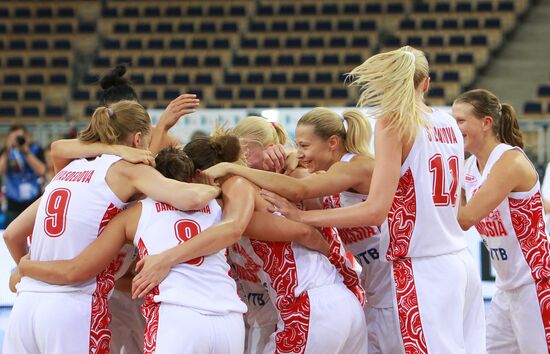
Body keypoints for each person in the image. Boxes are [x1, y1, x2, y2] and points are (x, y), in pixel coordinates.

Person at [244, 46, 486, 353]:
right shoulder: (448, 122)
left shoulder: (393, 123)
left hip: (421, 267)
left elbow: (375, 210)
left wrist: (303, 217)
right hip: (459, 260)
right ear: (425, 83)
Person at [14, 134, 330, 353]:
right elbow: (255, 225)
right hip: (230, 320)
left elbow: (76, 270)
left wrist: (26, 266)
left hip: (176, 318)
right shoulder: (220, 203)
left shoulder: (134, 212)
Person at [2, 100, 220, 354]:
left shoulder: (69, 169)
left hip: (26, 304)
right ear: (138, 140)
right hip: (74, 307)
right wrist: (216, 186)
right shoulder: (128, 172)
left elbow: (11, 234)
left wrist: (29, 270)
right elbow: (190, 198)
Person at [202, 107, 400, 353]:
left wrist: (236, 170)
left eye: (305, 146)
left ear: (332, 142)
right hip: (354, 296)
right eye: (298, 146)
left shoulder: (346, 168)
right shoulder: (311, 174)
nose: (301, 154)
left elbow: (299, 196)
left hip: (371, 293)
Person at [454, 89, 550, 353]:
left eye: (461, 121)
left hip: (537, 283)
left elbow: (466, 218)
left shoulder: (509, 161)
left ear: (486, 123)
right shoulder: (469, 167)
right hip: (507, 287)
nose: (455, 128)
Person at [0, 124, 46, 224]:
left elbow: (42, 170)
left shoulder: (36, 149)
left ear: (27, 137)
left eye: (20, 137)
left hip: (33, 201)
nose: (17, 140)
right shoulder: (6, 152)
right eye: (14, 138)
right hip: (13, 202)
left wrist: (26, 152)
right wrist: (7, 150)